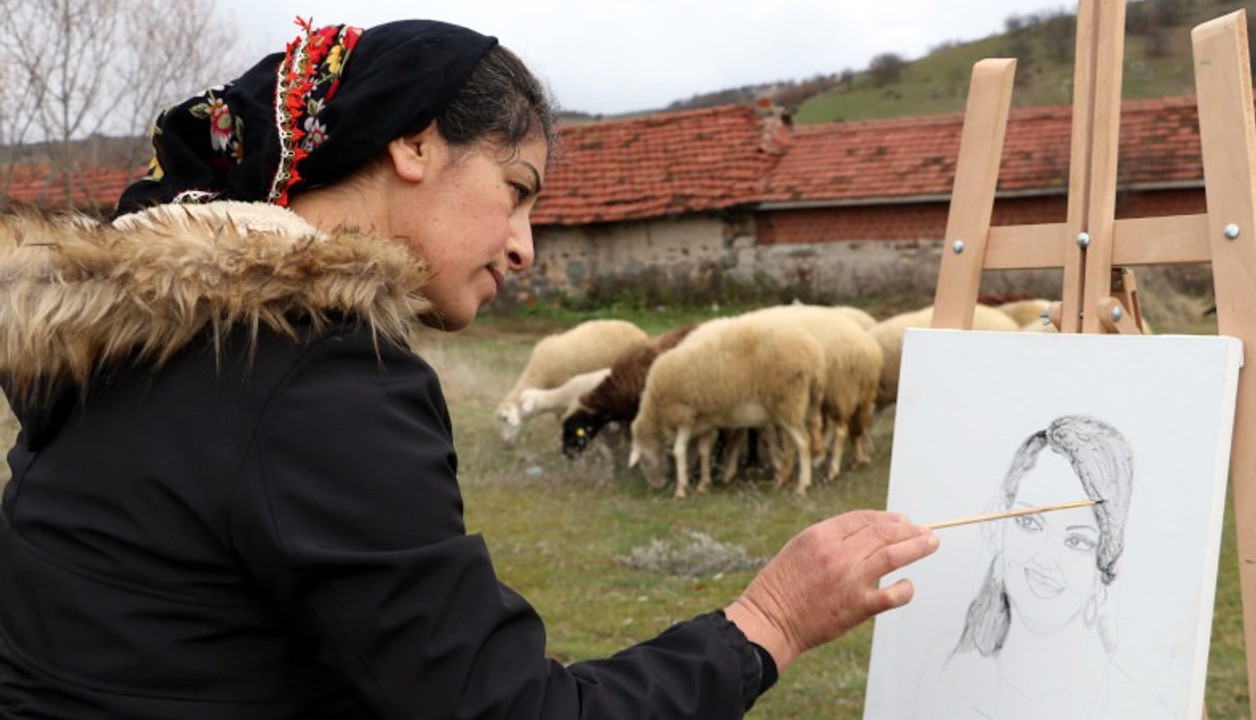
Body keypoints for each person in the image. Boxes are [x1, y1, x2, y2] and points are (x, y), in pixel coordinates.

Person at [0, 17, 939, 720]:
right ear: (413, 143)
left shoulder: (119, 351)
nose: (525, 247)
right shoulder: (309, 373)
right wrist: (767, 624)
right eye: (516, 192)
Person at [912, 414, 1168, 719]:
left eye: (1077, 541)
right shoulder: (944, 671)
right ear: (1000, 524)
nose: (1045, 558)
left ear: (1106, 558)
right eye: (1029, 522)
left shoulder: (1137, 707)